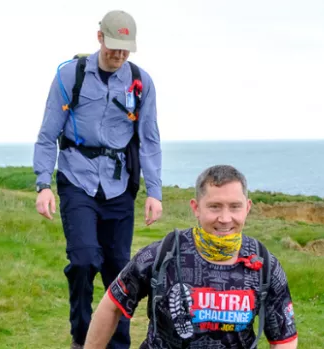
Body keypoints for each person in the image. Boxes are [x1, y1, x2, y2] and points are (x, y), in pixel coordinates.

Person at [33, 10, 163, 349]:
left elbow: (149, 140)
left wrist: (155, 192)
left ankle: (118, 345)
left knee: (119, 269)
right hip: (77, 178)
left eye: (126, 50)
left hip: (119, 185)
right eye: (113, 47)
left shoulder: (141, 82)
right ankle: (82, 335)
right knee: (83, 260)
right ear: (99, 38)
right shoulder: (69, 76)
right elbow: (47, 136)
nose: (119, 55)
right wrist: (43, 184)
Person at [84, 165, 299, 349]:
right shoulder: (162, 254)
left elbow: (284, 338)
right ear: (196, 208)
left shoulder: (264, 264)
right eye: (214, 207)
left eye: (235, 207)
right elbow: (111, 305)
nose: (225, 218)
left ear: (247, 208)